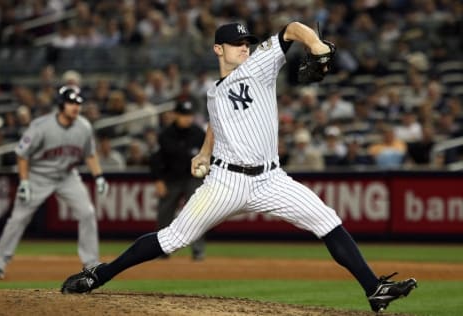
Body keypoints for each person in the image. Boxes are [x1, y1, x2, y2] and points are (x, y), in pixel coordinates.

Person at [60, 22, 417, 313]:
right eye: (236, 43)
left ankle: (374, 288)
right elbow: (218, 123)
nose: (244, 47)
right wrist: (202, 153)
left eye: (246, 42)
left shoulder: (259, 65)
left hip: (271, 178)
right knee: (173, 238)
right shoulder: (213, 91)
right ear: (218, 49)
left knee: (327, 219)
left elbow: (292, 28)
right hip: (225, 181)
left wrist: (317, 44)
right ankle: (100, 275)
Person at [0, 86, 108, 280]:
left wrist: (99, 176)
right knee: (18, 219)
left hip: (67, 176)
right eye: (71, 103)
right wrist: (24, 182)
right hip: (38, 176)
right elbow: (21, 154)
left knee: (87, 213)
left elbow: (90, 154)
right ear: (61, 105)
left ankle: (91, 263)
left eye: (77, 103)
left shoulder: (84, 126)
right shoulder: (41, 126)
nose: (75, 107)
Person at [150, 100, 206, 260]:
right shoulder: (165, 134)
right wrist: (158, 180)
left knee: (197, 214)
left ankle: (198, 250)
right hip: (171, 179)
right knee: (164, 215)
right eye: (183, 115)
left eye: (189, 115)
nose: (187, 118)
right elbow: (155, 159)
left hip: (192, 179)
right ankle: (161, 249)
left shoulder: (198, 133)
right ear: (175, 115)